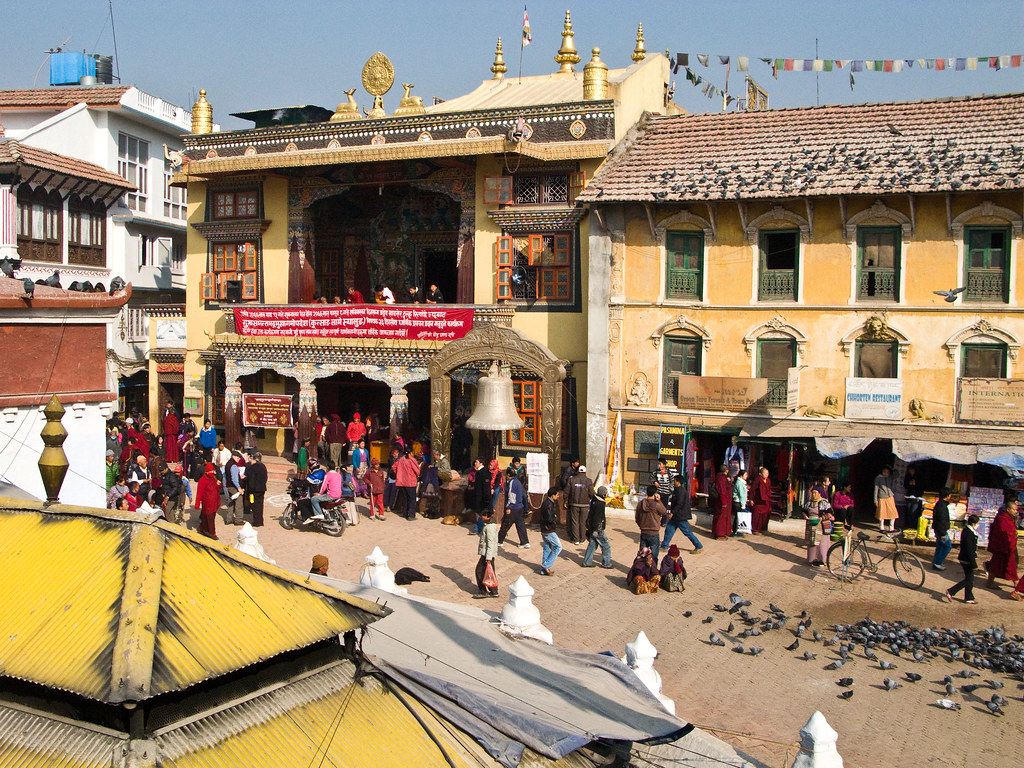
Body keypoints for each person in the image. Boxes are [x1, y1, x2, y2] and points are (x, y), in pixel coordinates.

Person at [663, 473, 703, 553]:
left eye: (674, 481)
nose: (673, 482)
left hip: (680, 516)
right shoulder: (678, 490)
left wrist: (672, 513)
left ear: (678, 482)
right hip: (677, 516)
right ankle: (664, 546)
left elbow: (679, 503)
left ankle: (698, 546)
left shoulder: (680, 491)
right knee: (669, 530)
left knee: (687, 532)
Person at [986, 498, 1019, 590]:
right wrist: (1009, 544)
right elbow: (1004, 533)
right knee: (1008, 565)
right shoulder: (1002, 519)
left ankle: (990, 582)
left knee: (998, 564)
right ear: (1008, 509)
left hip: (1006, 546)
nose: (1016, 511)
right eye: (1014, 509)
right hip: (1003, 546)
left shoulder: (1007, 518)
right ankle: (1016, 584)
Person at [947, 515, 980, 604]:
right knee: (969, 579)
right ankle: (951, 591)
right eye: (977, 523)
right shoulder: (969, 533)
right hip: (967, 559)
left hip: (965, 558)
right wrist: (974, 564)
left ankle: (969, 597)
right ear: (973, 523)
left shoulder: (967, 531)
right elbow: (969, 550)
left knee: (970, 578)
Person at [498, 467, 530, 548]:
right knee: (521, 525)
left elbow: (511, 496)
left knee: (506, 524)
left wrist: (509, 507)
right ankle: (524, 541)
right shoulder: (517, 482)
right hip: (520, 507)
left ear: (508, 475)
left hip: (513, 508)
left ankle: (499, 541)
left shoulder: (512, 483)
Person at [582, 486, 613, 568]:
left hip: (592, 527)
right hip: (598, 529)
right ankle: (606, 563)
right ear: (603, 494)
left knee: (592, 544)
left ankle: (587, 562)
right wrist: (596, 529)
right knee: (606, 545)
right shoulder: (600, 504)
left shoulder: (594, 500)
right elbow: (597, 517)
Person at [565, 465, 595, 545]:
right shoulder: (589, 481)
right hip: (584, 504)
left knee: (575, 522)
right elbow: (591, 493)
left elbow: (567, 492)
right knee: (583, 522)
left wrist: (565, 501)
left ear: (578, 471)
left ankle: (576, 539)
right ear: (585, 472)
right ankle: (582, 538)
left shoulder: (572, 480)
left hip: (574, 504)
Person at [635, 485, 666, 563]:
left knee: (642, 555)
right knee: (654, 556)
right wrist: (659, 501)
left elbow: (637, 518)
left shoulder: (641, 504)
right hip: (654, 532)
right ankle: (653, 571)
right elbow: (664, 511)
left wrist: (642, 526)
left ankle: (641, 571)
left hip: (644, 532)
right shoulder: (656, 504)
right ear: (655, 493)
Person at [194, 463, 222, 540]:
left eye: (213, 471)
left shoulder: (213, 478)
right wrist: (197, 504)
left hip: (214, 501)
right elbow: (199, 493)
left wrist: (218, 485)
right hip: (207, 502)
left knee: (207, 516)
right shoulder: (202, 480)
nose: (212, 472)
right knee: (210, 518)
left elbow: (216, 488)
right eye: (210, 471)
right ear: (206, 472)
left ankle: (203, 528)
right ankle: (212, 533)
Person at [538, 486, 561, 575]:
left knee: (547, 548)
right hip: (549, 530)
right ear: (552, 495)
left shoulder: (547, 503)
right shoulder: (548, 504)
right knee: (558, 547)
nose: (558, 496)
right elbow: (549, 518)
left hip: (545, 529)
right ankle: (546, 565)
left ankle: (544, 570)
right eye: (557, 495)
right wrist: (554, 518)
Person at [803, 487, 832, 559]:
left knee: (821, 544)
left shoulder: (824, 502)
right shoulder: (809, 503)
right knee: (812, 543)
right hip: (811, 526)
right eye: (812, 493)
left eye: (815, 493)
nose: (813, 494)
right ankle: (812, 559)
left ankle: (822, 560)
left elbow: (830, 514)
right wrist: (805, 516)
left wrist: (822, 518)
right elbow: (804, 511)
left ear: (819, 494)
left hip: (821, 526)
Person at [475, 510, 499, 597]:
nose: (481, 518)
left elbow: (490, 543)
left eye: (483, 516)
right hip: (488, 554)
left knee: (479, 572)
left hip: (487, 555)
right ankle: (494, 591)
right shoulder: (489, 525)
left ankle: (483, 591)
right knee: (490, 572)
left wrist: (488, 558)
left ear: (487, 516)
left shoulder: (490, 527)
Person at [394, 449, 421, 520]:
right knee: (412, 499)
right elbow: (418, 471)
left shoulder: (400, 459)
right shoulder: (411, 460)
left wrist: (399, 474)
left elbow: (393, 467)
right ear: (411, 453)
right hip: (410, 482)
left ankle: (405, 513)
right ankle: (411, 515)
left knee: (405, 498)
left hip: (402, 482)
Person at [930, 487, 952, 571]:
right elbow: (941, 520)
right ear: (948, 496)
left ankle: (936, 562)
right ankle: (937, 562)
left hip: (939, 529)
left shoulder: (940, 504)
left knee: (940, 546)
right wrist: (943, 533)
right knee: (947, 546)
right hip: (941, 530)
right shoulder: (942, 506)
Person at [246, 451, 268, 526]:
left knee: (255, 506)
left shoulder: (253, 467)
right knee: (260, 505)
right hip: (262, 488)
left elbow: (251, 480)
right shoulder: (263, 466)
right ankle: (260, 521)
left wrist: (250, 489)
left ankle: (256, 522)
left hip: (255, 489)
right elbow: (265, 478)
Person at [223, 450, 245, 524]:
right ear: (234, 457)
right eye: (238, 458)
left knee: (231, 502)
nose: (238, 460)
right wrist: (239, 488)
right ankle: (239, 520)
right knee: (239, 503)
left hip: (228, 486)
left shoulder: (227, 464)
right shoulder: (234, 466)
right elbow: (234, 479)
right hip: (234, 487)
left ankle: (228, 519)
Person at [711, 465, 732, 540]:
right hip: (722, 502)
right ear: (726, 471)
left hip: (724, 501)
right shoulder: (721, 479)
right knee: (721, 518)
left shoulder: (722, 478)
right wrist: (724, 502)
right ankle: (720, 534)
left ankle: (720, 533)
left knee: (721, 517)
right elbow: (722, 491)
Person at [470, 458, 490, 535]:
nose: (475, 463)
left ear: (481, 463)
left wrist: (486, 498)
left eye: (477, 462)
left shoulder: (484, 472)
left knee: (481, 513)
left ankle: (478, 528)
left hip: (482, 497)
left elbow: (485, 487)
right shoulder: (479, 472)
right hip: (479, 496)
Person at [874, 466, 897, 533]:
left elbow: (897, 474)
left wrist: (892, 468)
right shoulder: (878, 478)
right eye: (884, 472)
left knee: (893, 513)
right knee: (882, 513)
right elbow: (876, 489)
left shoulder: (890, 477)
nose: (885, 473)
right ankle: (881, 528)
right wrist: (875, 500)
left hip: (890, 496)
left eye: (887, 472)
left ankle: (891, 528)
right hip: (882, 497)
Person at [750, 467, 773, 534]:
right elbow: (752, 490)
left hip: (766, 501)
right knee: (757, 516)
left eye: (767, 473)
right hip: (758, 500)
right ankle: (755, 529)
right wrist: (751, 499)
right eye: (765, 473)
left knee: (766, 514)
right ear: (761, 474)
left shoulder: (768, 480)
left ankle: (763, 528)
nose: (767, 475)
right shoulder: (757, 480)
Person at [903, 465, 923, 531]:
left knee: (913, 511)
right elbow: (905, 486)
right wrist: (909, 483)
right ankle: (909, 526)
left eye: (912, 470)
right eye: (909, 470)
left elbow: (921, 487)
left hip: (916, 497)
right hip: (909, 496)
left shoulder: (919, 477)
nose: (910, 471)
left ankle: (913, 526)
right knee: (909, 512)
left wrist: (915, 484)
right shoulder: (908, 477)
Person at [731, 469, 748, 537]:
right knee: (738, 517)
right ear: (741, 476)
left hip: (739, 502)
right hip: (738, 502)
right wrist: (743, 504)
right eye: (745, 475)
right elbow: (741, 495)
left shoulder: (741, 482)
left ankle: (737, 531)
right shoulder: (739, 483)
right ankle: (736, 531)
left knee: (737, 517)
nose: (746, 476)